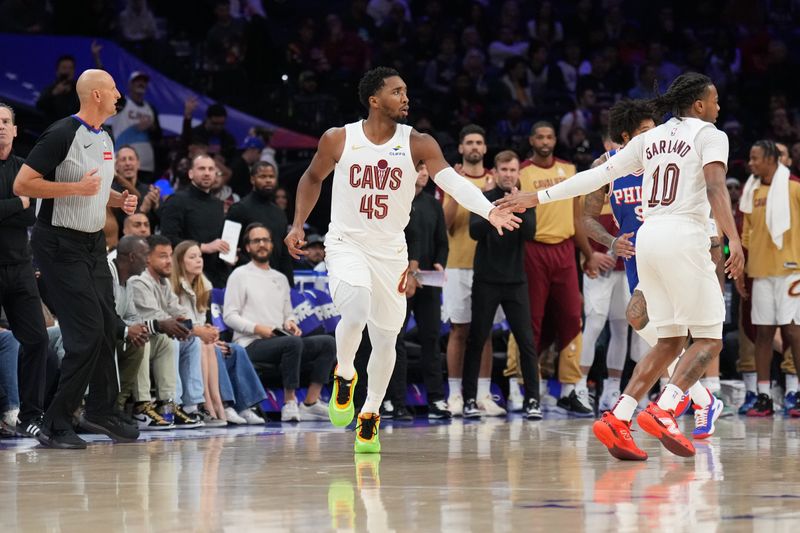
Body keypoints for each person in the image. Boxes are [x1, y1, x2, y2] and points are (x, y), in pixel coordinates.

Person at [497, 72, 745, 461]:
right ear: (699, 105)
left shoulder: (650, 139)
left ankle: (620, 415)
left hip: (648, 239)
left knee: (669, 340)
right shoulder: (711, 135)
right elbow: (715, 187)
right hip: (684, 237)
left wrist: (537, 197)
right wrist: (734, 238)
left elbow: (596, 175)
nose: (718, 107)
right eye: (714, 101)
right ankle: (665, 409)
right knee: (710, 338)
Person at [284, 67, 519, 453]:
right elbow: (312, 179)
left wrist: (488, 210)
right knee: (356, 309)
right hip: (347, 243)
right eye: (397, 91)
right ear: (375, 100)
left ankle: (370, 413)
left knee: (386, 337)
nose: (405, 97)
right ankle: (345, 374)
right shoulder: (340, 138)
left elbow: (453, 183)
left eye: (406, 90)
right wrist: (297, 224)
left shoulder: (418, 143)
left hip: (391, 250)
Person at [14, 69, 141, 449]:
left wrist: (119, 200)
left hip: (92, 246)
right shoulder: (61, 132)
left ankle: (101, 410)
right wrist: (77, 187)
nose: (120, 95)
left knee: (108, 327)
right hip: (58, 247)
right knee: (85, 336)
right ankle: (55, 420)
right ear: (98, 95)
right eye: (115, 89)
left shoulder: (105, 136)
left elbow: (97, 189)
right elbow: (23, 184)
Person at [583, 99, 724, 433]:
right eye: (645, 132)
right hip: (640, 257)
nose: (653, 136)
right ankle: (702, 399)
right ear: (625, 136)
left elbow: (706, 199)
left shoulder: (668, 158)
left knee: (681, 334)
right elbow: (587, 218)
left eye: (654, 130)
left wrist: (715, 246)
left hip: (678, 249)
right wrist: (611, 241)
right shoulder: (608, 165)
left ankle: (688, 398)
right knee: (654, 333)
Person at [510, 121, 613, 416]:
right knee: (532, 321)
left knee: (571, 317)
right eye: (539, 136)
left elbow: (577, 219)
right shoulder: (523, 171)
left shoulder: (569, 170)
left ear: (556, 140)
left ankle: (570, 388)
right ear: (531, 139)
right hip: (533, 250)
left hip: (565, 251)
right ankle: (524, 386)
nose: (545, 141)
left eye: (549, 136)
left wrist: (588, 254)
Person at [225, 224, 336, 422]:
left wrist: (291, 322)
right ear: (248, 247)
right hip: (250, 343)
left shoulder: (281, 278)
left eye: (265, 240)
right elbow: (229, 316)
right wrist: (258, 328)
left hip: (279, 339)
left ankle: (310, 403)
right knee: (292, 343)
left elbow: (288, 314)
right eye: (256, 241)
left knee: (328, 342)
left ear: (271, 245)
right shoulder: (239, 275)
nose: (261, 244)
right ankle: (289, 402)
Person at [460, 151, 542, 420]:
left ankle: (533, 400)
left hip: (516, 280)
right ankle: (469, 399)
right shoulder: (483, 197)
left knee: (526, 341)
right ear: (495, 172)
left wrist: (515, 205)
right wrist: (496, 209)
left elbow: (530, 233)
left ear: (519, 173)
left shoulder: (526, 200)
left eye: (512, 170)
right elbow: (474, 231)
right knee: (476, 339)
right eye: (503, 170)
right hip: (486, 279)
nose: (508, 174)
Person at [170, 239, 267, 425]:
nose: (199, 260)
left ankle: (245, 406)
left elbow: (203, 323)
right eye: (192, 257)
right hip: (186, 340)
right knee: (211, 349)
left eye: (200, 256)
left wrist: (212, 333)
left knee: (235, 350)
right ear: (180, 262)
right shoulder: (174, 288)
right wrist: (206, 336)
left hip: (199, 338)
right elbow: (179, 323)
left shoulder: (203, 286)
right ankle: (221, 405)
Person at [442, 125, 503, 417]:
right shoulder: (450, 180)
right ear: (461, 149)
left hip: (489, 264)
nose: (475, 147)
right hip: (457, 264)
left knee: (485, 332)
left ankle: (482, 395)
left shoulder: (496, 181)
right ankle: (454, 395)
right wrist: (456, 187)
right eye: (469, 142)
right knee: (458, 330)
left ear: (485, 148)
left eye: (479, 142)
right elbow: (445, 224)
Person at [737, 140, 800, 417]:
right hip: (760, 272)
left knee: (794, 333)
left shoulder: (794, 188)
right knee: (762, 334)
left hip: (792, 271)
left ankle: (796, 392)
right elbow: (746, 235)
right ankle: (763, 395)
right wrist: (742, 269)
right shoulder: (750, 191)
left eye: (755, 158)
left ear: (772, 159)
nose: (750, 164)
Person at [0, 102, 51, 438]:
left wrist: (17, 207)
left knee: (37, 339)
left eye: (5, 121)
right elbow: (24, 207)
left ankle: (30, 415)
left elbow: (32, 216)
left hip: (19, 268)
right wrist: (18, 202)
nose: (0, 126)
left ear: (15, 130)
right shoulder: (23, 184)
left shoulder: (24, 170)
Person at [385, 162, 451, 420]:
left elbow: (442, 242)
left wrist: (440, 263)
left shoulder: (433, 204)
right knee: (395, 339)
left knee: (431, 339)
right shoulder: (393, 200)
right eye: (419, 168)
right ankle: (396, 401)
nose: (424, 173)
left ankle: (435, 400)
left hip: (428, 281)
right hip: (398, 280)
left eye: (426, 169)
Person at [127, 235, 205, 428]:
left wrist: (194, 328)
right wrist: (193, 328)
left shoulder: (164, 282)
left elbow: (179, 312)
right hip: (131, 339)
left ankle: (173, 404)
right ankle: (141, 406)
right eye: (162, 256)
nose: (169, 261)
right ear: (147, 258)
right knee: (151, 338)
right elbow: (158, 317)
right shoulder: (139, 281)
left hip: (154, 338)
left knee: (190, 341)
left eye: (170, 255)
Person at [108, 235, 174, 430]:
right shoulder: (108, 275)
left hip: (116, 333)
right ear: (131, 257)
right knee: (138, 339)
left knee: (160, 340)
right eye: (145, 254)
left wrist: (140, 328)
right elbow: (104, 316)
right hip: (100, 335)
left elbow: (132, 316)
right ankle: (140, 405)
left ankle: (165, 403)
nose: (147, 260)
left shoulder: (128, 280)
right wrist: (134, 329)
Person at [159, 154, 230, 287]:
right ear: (191, 173)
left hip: (215, 278)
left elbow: (218, 241)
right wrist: (203, 247)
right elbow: (168, 239)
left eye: (210, 169)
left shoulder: (218, 205)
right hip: (185, 277)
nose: (207, 173)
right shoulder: (176, 201)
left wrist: (228, 254)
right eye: (202, 169)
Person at [226, 161, 294, 282]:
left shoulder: (279, 213)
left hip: (275, 280)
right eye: (262, 176)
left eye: (271, 177)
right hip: (246, 279)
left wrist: (289, 286)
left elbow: (284, 254)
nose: (268, 180)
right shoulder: (238, 209)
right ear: (252, 179)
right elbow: (228, 248)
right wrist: (258, 270)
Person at [106, 72, 162, 183]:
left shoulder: (150, 108)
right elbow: (107, 87)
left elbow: (158, 136)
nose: (141, 83)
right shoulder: (122, 103)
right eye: (137, 81)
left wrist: (152, 127)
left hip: (146, 166)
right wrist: (97, 58)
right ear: (130, 85)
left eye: (144, 82)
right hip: (123, 163)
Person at [36, 55, 79, 124]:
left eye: (71, 68)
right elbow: (39, 105)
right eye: (64, 68)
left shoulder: (79, 90)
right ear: (57, 70)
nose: (68, 71)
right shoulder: (50, 89)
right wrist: (54, 93)